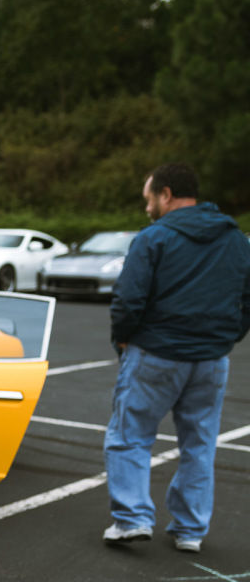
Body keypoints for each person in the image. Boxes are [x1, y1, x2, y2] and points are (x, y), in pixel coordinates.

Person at [103, 163, 250, 553]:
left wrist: (123, 339)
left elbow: (128, 299)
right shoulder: (236, 239)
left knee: (130, 436)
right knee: (199, 444)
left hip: (156, 353)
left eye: (148, 198)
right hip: (212, 360)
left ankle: (132, 519)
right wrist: (227, 336)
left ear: (165, 194)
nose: (146, 207)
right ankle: (190, 530)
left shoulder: (154, 237)